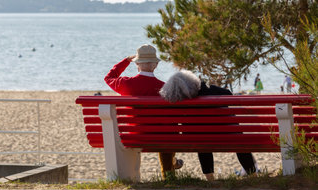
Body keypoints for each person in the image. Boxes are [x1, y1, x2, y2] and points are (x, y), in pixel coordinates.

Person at [159, 70, 257, 181]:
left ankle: (210, 179)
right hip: (228, 135)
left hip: (199, 139)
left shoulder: (179, 101)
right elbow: (229, 95)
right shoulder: (211, 90)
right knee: (239, 139)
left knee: (202, 140)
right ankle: (253, 175)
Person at [104, 44, 183, 178]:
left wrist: (126, 61)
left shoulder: (126, 84)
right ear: (155, 66)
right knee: (169, 131)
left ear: (137, 64)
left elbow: (109, 77)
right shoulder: (164, 87)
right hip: (160, 136)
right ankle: (168, 174)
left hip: (134, 134)